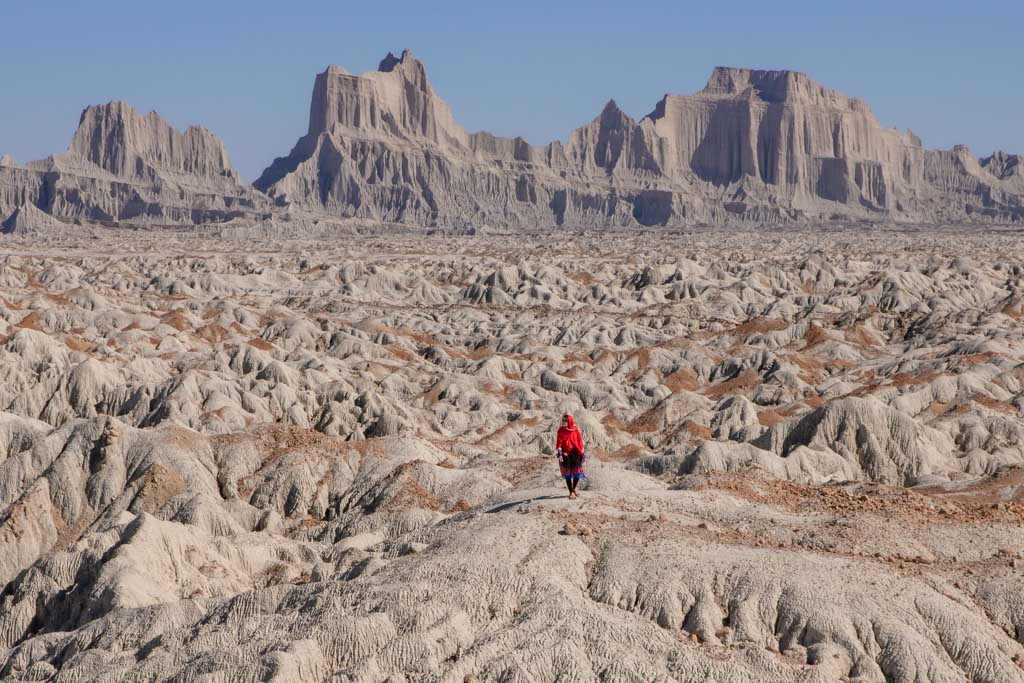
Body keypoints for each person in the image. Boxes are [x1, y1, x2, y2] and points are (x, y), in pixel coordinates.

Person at [556, 414, 586, 499]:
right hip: (565, 454)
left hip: (575, 453)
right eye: (563, 420)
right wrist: (560, 453)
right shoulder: (561, 430)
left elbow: (579, 441)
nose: (563, 422)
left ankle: (573, 489)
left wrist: (582, 453)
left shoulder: (575, 430)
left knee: (577, 472)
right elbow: (559, 443)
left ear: (569, 421)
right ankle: (571, 492)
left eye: (565, 421)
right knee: (568, 474)